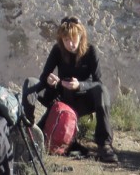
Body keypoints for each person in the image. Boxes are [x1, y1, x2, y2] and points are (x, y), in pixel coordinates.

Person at [22, 16, 118, 164]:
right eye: (66, 40)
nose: (70, 44)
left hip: (82, 99)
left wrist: (79, 85)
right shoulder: (57, 50)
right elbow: (44, 77)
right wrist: (49, 80)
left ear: (81, 36)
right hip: (61, 97)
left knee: (103, 90)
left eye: (73, 39)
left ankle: (104, 144)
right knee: (30, 83)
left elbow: (97, 82)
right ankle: (28, 131)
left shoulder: (91, 51)